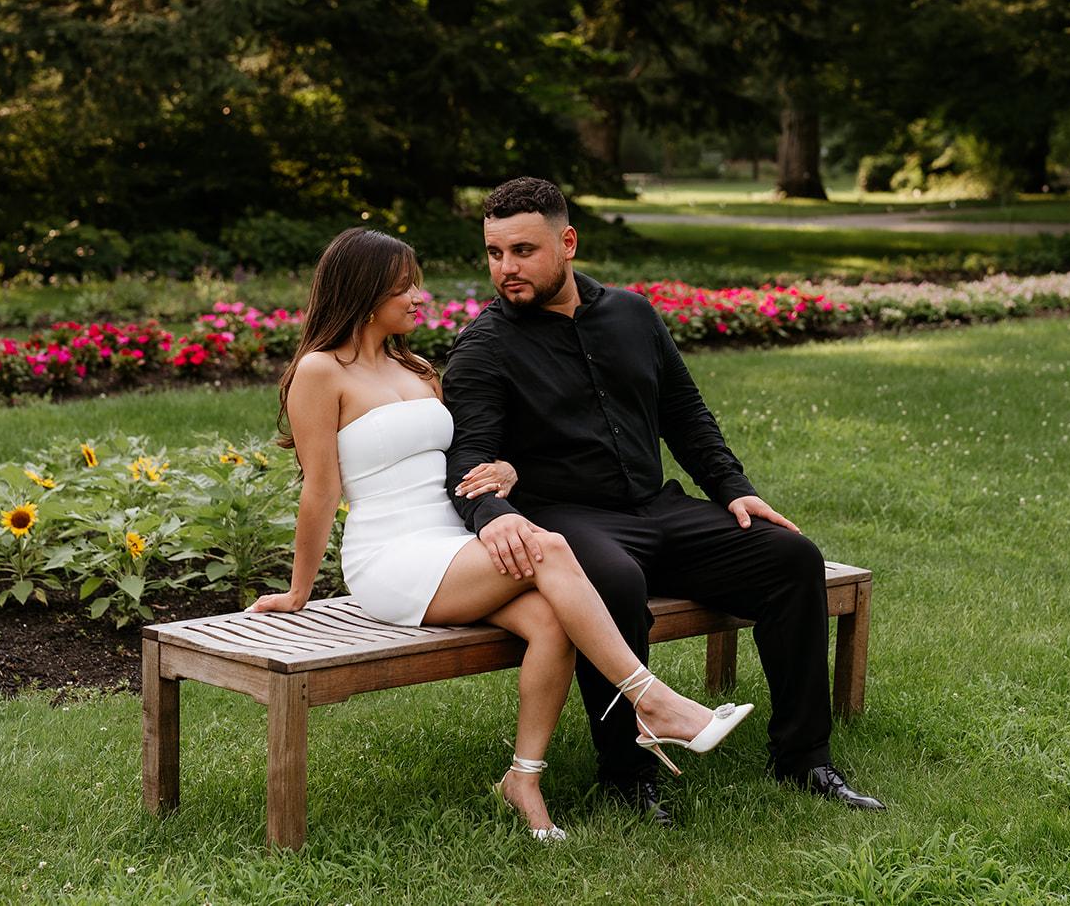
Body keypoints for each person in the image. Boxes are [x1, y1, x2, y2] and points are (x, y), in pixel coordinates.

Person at [246, 226, 754, 842]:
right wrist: (300, 591)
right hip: (391, 557)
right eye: (406, 284)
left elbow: (461, 460)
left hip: (452, 541)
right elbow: (321, 490)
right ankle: (651, 702)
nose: (420, 295)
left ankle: (523, 778)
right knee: (552, 546)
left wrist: (507, 471)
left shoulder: (418, 368)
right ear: (364, 290)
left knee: (549, 619)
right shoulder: (320, 373)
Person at [441, 177, 884, 823]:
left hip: (656, 507)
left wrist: (735, 490)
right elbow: (470, 461)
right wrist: (495, 517)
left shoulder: (632, 314)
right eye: (493, 253)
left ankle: (804, 758)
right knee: (616, 581)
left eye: (522, 250)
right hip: (569, 520)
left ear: (567, 242)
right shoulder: (485, 346)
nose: (505, 268)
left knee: (790, 557)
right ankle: (628, 778)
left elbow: (685, 414)